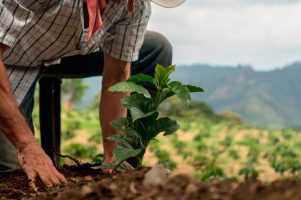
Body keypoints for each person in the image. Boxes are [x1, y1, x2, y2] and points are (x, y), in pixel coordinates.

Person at [0, 0, 185, 187]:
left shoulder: (135, 5)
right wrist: (27, 147)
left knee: (156, 47)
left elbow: (117, 76)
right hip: (9, 59)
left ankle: (125, 169)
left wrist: (114, 153)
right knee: (15, 176)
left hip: (62, 49)